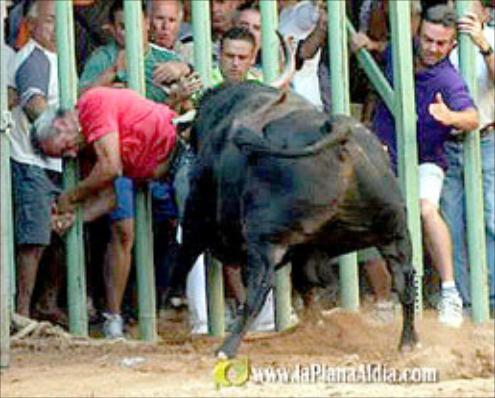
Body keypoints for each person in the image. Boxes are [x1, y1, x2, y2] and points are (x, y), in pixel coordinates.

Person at [30, 87, 181, 335]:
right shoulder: (85, 146)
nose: (70, 155)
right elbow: (109, 199)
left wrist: (71, 196)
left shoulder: (92, 105)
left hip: (177, 152)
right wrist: (74, 218)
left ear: (61, 123)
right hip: (158, 169)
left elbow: (111, 168)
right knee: (125, 230)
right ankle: (114, 317)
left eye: (63, 148)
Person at [372, 5, 479, 327]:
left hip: (426, 160)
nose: (432, 48)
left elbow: (472, 117)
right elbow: (381, 46)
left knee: (425, 209)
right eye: (428, 40)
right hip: (384, 159)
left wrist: (451, 118)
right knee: (370, 216)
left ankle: (449, 292)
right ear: (418, 34)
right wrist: (366, 43)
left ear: (452, 45)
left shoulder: (448, 78)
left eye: (441, 43)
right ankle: (385, 299)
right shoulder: (398, 53)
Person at [10, 0, 66, 324]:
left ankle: (44, 306)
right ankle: (22, 313)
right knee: (33, 240)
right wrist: (63, 135)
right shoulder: (35, 58)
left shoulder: (54, 56)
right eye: (49, 20)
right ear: (30, 25)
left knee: (53, 235)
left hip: (49, 162)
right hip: (32, 160)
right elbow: (35, 105)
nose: (56, 28)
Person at [441, 0, 495, 311]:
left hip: (486, 139)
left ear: (484, 13)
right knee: (452, 223)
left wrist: (483, 45)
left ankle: (491, 297)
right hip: (448, 143)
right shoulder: (441, 41)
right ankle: (465, 298)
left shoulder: (489, 37)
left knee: (490, 218)